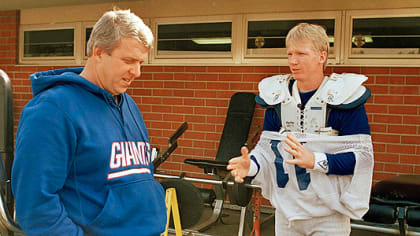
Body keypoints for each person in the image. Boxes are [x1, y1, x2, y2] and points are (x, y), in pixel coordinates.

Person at [12, 9, 166, 236]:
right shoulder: (52, 109)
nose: (137, 71)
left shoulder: (128, 104)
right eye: (128, 60)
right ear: (98, 52)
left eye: (140, 62)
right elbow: (35, 206)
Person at [228, 23, 374, 235]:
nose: (293, 61)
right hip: (287, 213)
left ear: (321, 56)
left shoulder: (345, 98)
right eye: (290, 54)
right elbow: (267, 152)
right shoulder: (276, 98)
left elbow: (362, 159)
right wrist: (251, 165)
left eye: (302, 54)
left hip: (329, 214)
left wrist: (316, 161)